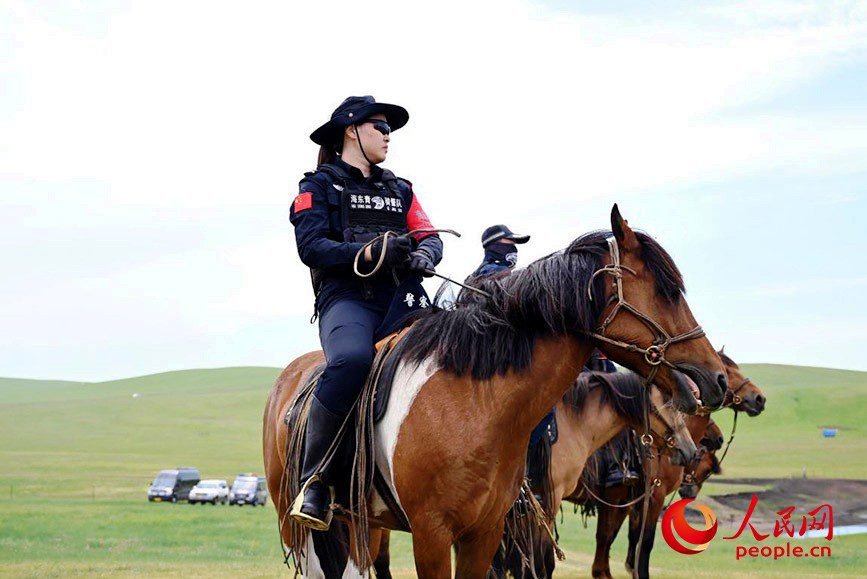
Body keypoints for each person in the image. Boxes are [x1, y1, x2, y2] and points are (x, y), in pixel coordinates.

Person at [288, 96, 443, 530]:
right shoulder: (317, 187)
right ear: (351, 131)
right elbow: (311, 247)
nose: (388, 136)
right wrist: (369, 251)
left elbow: (429, 234)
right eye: (380, 127)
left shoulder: (401, 189)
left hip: (401, 302)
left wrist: (424, 254)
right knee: (353, 361)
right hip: (348, 301)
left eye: (389, 130)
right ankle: (314, 480)